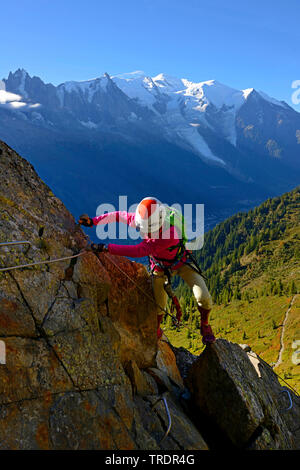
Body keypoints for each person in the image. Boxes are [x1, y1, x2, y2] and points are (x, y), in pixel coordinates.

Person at [78, 197, 215, 345]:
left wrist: (105, 247)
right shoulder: (145, 220)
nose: (145, 233)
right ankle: (156, 328)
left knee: (204, 298)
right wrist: (93, 221)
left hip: (181, 262)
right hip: (161, 265)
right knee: (159, 306)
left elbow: (140, 250)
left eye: (149, 230)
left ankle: (205, 325)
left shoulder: (170, 233)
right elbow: (118, 216)